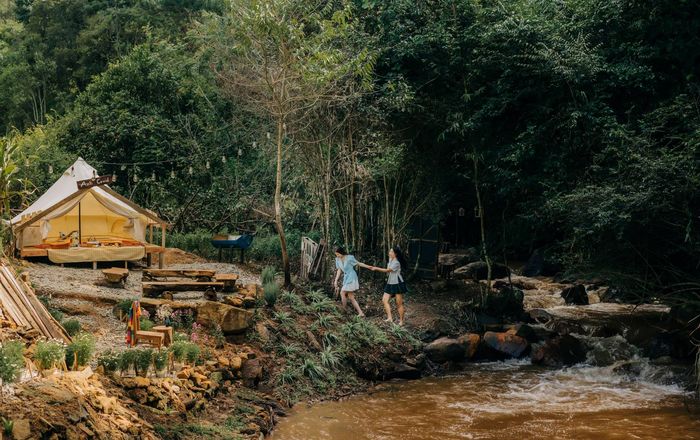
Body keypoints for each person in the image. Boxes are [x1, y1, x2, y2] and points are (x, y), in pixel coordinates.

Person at [371, 246, 408, 325]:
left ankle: (401, 321)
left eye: (391, 252)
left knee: (399, 304)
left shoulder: (397, 263)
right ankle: (390, 318)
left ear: (395, 254)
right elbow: (388, 271)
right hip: (390, 282)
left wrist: (376, 268)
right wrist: (389, 260)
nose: (389, 253)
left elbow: (387, 270)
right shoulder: (391, 260)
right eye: (389, 251)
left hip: (397, 283)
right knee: (384, 300)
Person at [333, 247, 372, 317]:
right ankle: (361, 313)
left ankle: (344, 310)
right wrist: (336, 280)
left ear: (341, 252)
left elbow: (358, 263)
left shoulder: (349, 258)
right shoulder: (337, 259)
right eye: (336, 254)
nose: (337, 256)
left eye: (338, 254)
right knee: (351, 297)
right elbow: (339, 270)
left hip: (351, 276)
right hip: (346, 278)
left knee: (342, 292)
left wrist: (369, 267)